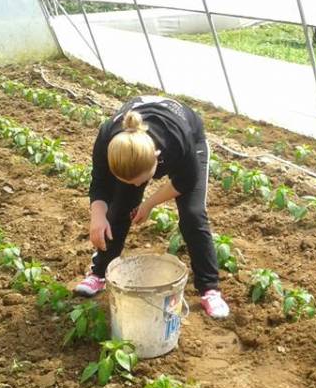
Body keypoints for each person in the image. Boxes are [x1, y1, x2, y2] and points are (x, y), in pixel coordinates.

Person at [74, 95, 230, 319]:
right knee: (119, 210)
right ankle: (98, 274)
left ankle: (210, 289)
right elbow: (100, 183)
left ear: (157, 159)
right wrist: (98, 217)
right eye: (130, 181)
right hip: (138, 152)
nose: (138, 186)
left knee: (192, 215)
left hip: (189, 142)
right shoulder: (109, 141)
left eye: (141, 180)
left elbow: (185, 182)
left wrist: (148, 204)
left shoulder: (178, 140)